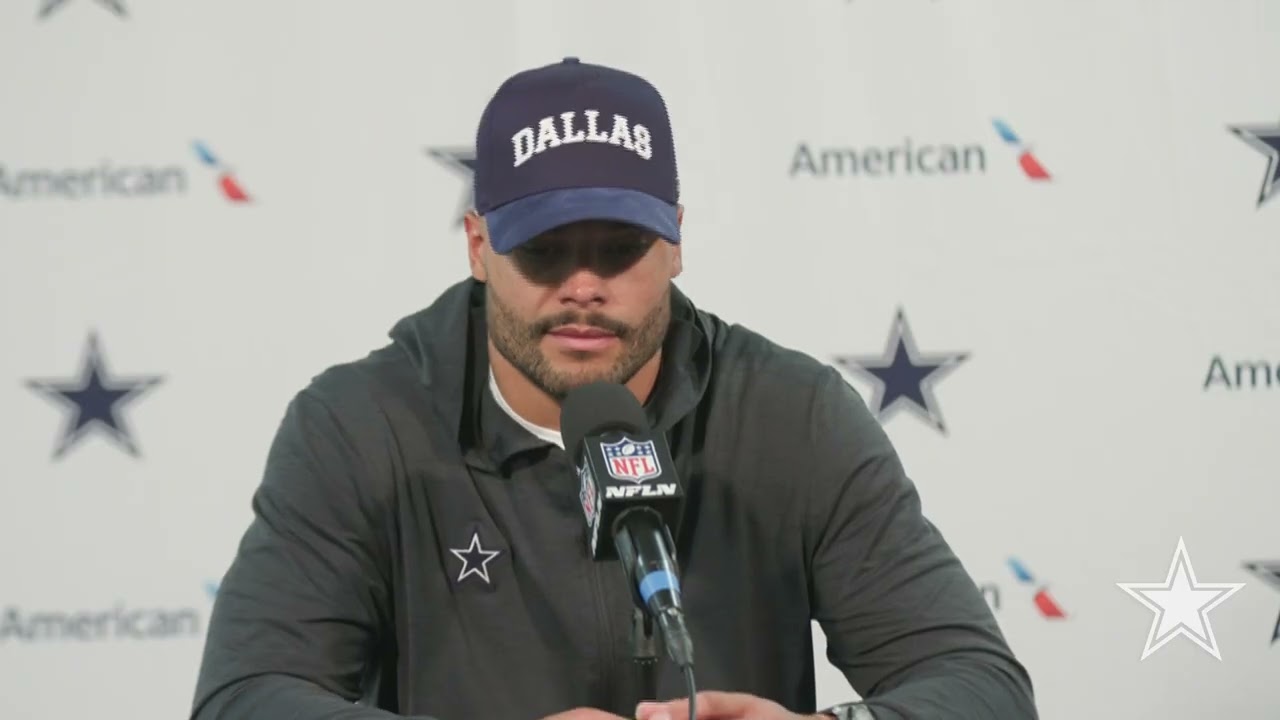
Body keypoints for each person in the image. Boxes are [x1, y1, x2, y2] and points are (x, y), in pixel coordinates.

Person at [188, 57, 1038, 720]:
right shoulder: (358, 425)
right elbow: (246, 699)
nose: (584, 285)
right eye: (546, 250)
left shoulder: (792, 416)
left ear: (674, 245)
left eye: (620, 247)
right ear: (479, 246)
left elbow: (982, 689)